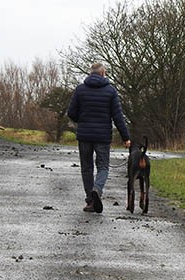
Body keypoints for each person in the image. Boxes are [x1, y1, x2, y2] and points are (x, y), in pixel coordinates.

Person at [68, 63, 131, 213]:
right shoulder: (110, 91)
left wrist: (82, 121)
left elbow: (71, 112)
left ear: (91, 73)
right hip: (102, 136)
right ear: (103, 73)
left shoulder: (80, 90)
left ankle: (90, 200)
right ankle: (97, 189)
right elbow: (118, 117)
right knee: (103, 166)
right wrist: (125, 137)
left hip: (84, 135)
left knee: (86, 167)